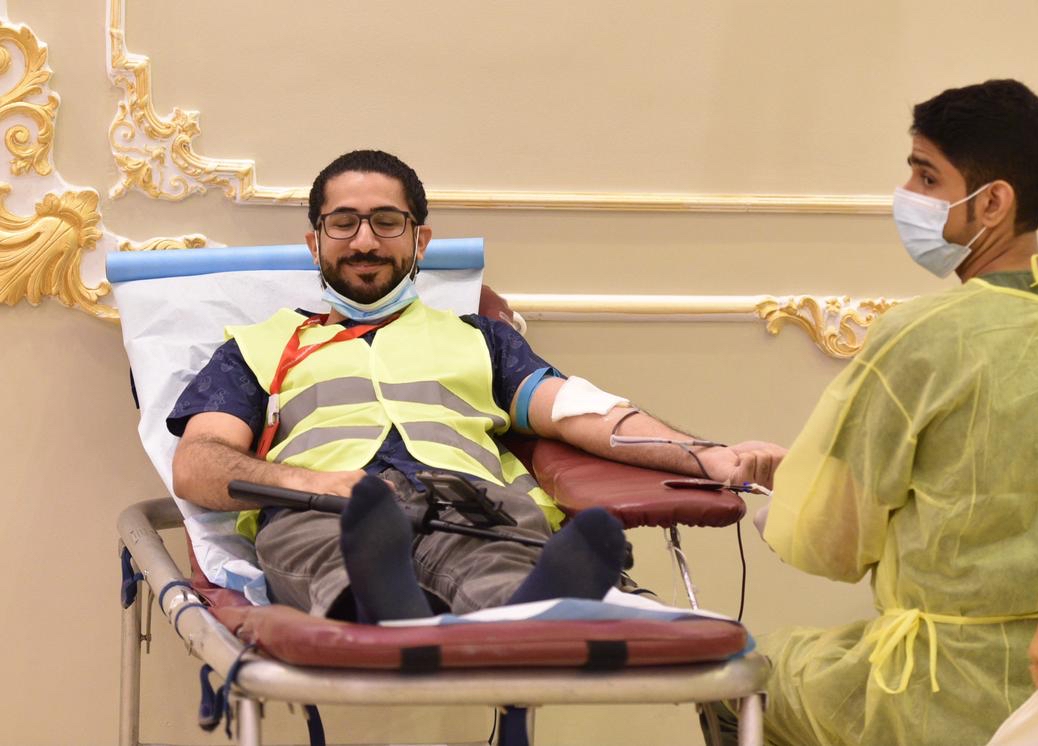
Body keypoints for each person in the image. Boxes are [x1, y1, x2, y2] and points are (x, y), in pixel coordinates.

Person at [708, 80, 1038, 745]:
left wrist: (793, 495)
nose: (907, 195)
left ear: (993, 202)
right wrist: (806, 475)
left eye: (927, 177)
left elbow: (831, 542)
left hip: (942, 695)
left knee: (742, 677)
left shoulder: (923, 338)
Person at [169, 149, 786, 624]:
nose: (365, 241)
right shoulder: (255, 348)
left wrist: (711, 457)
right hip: (326, 514)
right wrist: (313, 485)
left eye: (386, 222)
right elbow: (199, 464)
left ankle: (531, 602)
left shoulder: (482, 339)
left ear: (420, 240)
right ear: (315, 242)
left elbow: (585, 414)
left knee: (500, 572)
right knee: (345, 563)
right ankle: (390, 604)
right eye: (344, 223)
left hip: (471, 510)